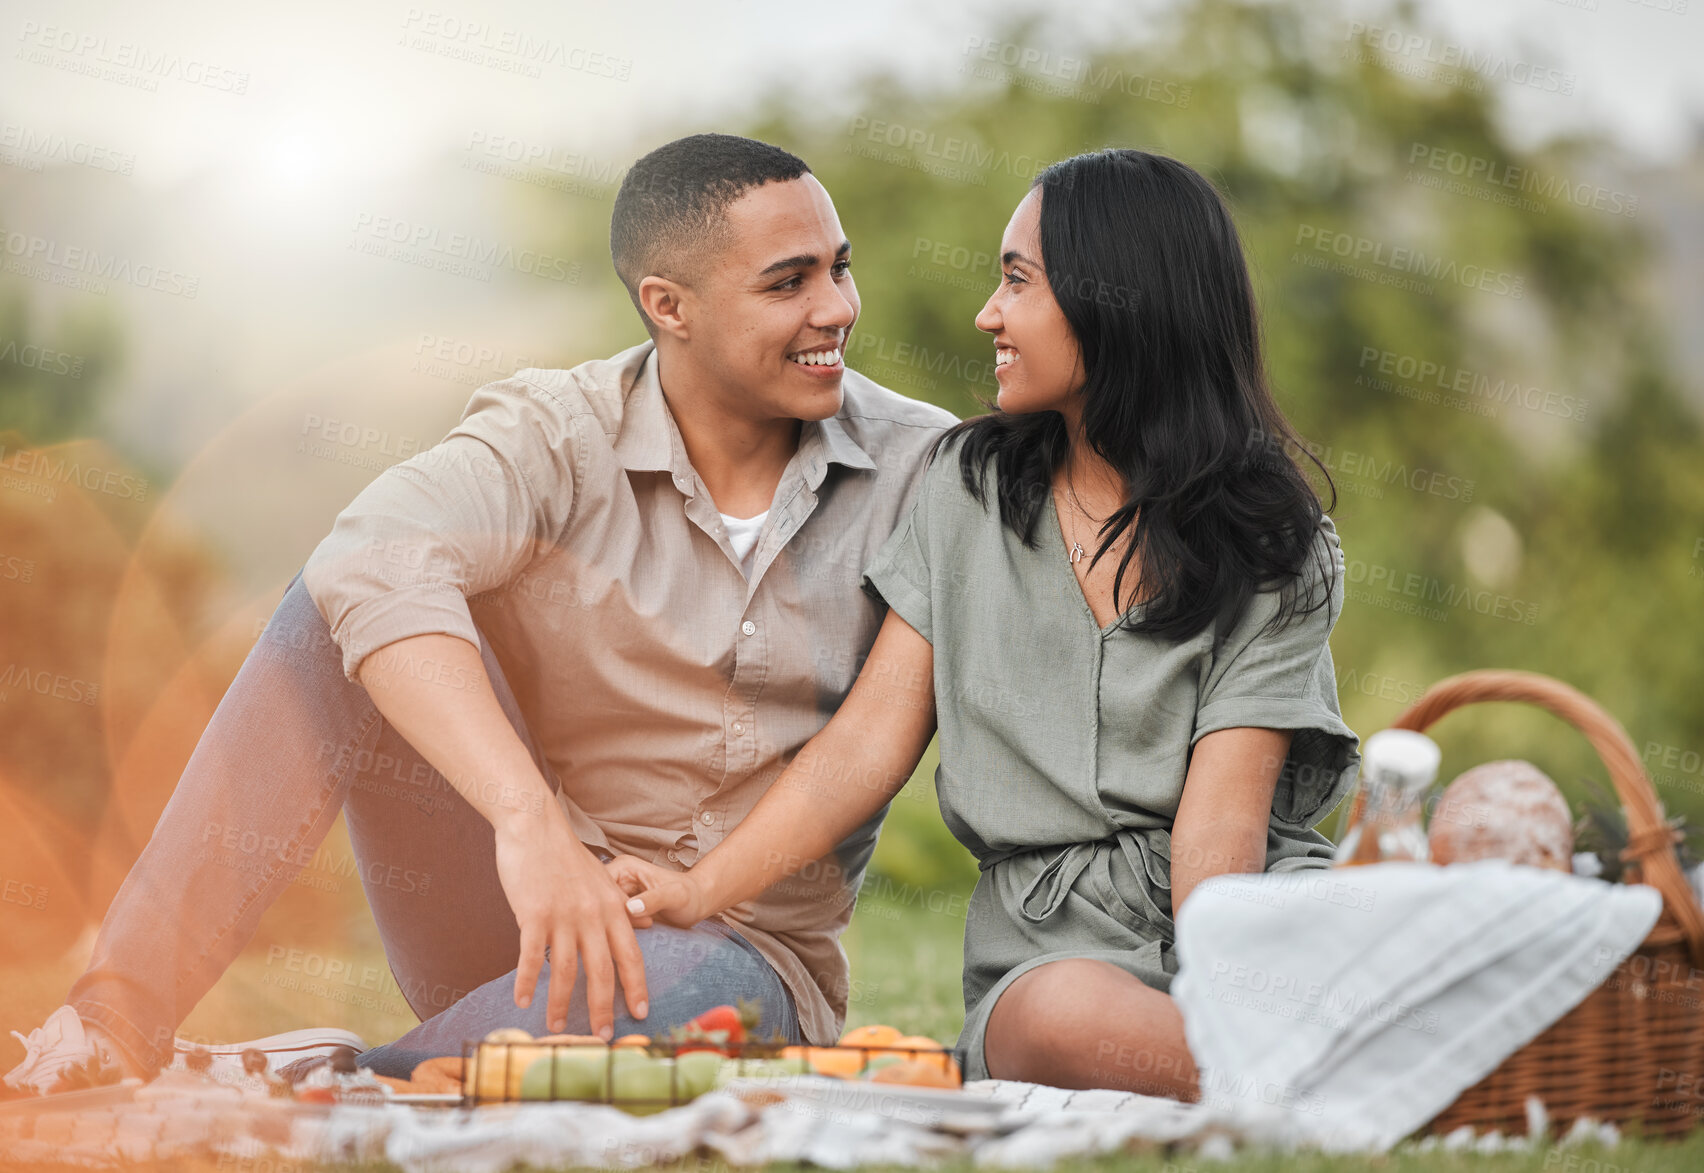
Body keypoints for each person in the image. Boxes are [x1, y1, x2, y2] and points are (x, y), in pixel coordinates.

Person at [2, 133, 957, 1094]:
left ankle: (330, 1073)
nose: (837, 308)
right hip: (513, 909)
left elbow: (872, 740)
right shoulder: (556, 432)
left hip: (732, 950)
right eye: (788, 283)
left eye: (839, 270)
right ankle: (113, 1019)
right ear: (669, 306)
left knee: (685, 1001)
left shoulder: (926, 471)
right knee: (335, 600)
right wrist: (526, 819)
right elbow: (369, 558)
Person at [611, 148, 1362, 1099]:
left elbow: (1221, 834)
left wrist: (1234, 994)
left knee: (1410, 916)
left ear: (1115, 301)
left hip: (1245, 921)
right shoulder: (966, 488)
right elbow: (866, 745)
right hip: (1055, 957)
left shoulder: (1274, 540)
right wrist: (698, 888)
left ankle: (1284, 1063)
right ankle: (1345, 1079)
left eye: (1018, 280)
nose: (989, 313)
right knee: (1054, 1018)